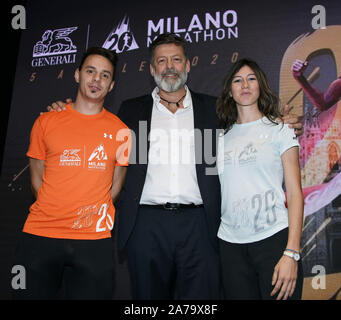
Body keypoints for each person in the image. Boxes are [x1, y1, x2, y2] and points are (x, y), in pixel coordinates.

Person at [47, 33, 303, 300]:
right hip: (146, 226)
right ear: (151, 68)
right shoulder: (131, 111)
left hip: (201, 226)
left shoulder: (212, 109)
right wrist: (65, 110)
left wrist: (281, 120)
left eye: (176, 59)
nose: (169, 66)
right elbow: (97, 128)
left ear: (188, 65)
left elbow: (249, 123)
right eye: (161, 60)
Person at [12, 47, 131, 300]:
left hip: (93, 240)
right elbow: (36, 180)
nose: (96, 80)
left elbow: (116, 187)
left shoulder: (122, 132)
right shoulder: (45, 121)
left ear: (111, 86)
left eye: (105, 75)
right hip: (41, 235)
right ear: (77, 75)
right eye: (90, 71)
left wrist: (89, 215)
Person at [216, 58, 304, 300]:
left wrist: (291, 252)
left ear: (260, 86)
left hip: (274, 241)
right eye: (237, 80)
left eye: (251, 78)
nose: (244, 84)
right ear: (230, 92)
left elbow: (295, 193)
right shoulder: (217, 140)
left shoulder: (281, 130)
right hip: (230, 247)